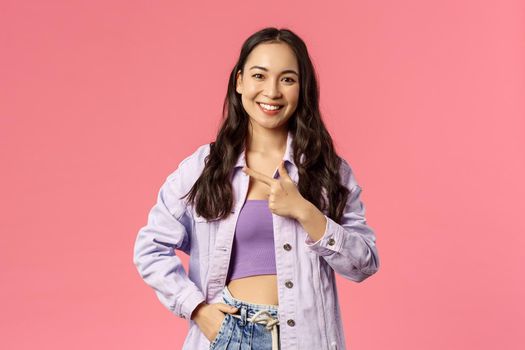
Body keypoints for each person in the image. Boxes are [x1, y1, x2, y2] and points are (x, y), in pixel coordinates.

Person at [133, 27, 380, 350]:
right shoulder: (204, 167)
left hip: (306, 339)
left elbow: (364, 264)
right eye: (259, 76)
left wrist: (306, 212)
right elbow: (150, 247)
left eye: (287, 79)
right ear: (239, 82)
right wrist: (197, 309)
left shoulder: (329, 171)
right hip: (228, 333)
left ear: (302, 88)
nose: (272, 91)